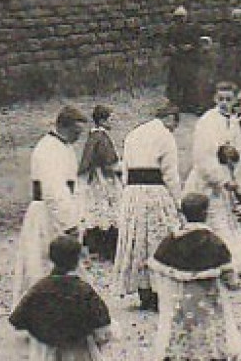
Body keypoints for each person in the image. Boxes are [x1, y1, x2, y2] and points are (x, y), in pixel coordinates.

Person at [150, 193, 241, 361]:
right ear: (205, 213)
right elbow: (229, 273)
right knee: (208, 343)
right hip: (207, 303)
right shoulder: (212, 240)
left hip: (181, 302)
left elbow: (158, 265)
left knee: (184, 341)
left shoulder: (173, 238)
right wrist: (233, 283)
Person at [113, 102, 184, 310]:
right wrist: (177, 202)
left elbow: (125, 169)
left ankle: (144, 291)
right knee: (157, 240)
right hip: (154, 191)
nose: (173, 128)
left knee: (137, 241)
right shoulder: (165, 136)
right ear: (171, 118)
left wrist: (128, 193)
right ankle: (158, 290)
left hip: (133, 193)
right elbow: (170, 174)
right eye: (174, 124)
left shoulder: (133, 134)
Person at [13, 107, 86, 308]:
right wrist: (69, 223)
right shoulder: (48, 149)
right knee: (42, 265)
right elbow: (53, 190)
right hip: (47, 214)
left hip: (59, 210)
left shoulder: (64, 147)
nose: (79, 137)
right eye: (77, 132)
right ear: (65, 127)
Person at [183, 82, 241, 274]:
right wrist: (221, 179)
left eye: (228, 100)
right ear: (214, 99)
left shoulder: (234, 122)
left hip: (226, 180)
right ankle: (210, 268)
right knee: (212, 222)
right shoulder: (207, 121)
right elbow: (202, 156)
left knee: (228, 223)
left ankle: (229, 268)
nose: (224, 103)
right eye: (220, 99)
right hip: (207, 181)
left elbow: (239, 151)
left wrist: (235, 174)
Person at [78, 105, 122, 262]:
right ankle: (107, 250)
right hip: (104, 180)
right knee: (107, 212)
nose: (113, 122)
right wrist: (122, 168)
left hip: (94, 180)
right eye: (111, 118)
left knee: (96, 212)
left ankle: (95, 247)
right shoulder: (101, 138)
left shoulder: (92, 137)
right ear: (102, 120)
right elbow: (109, 163)